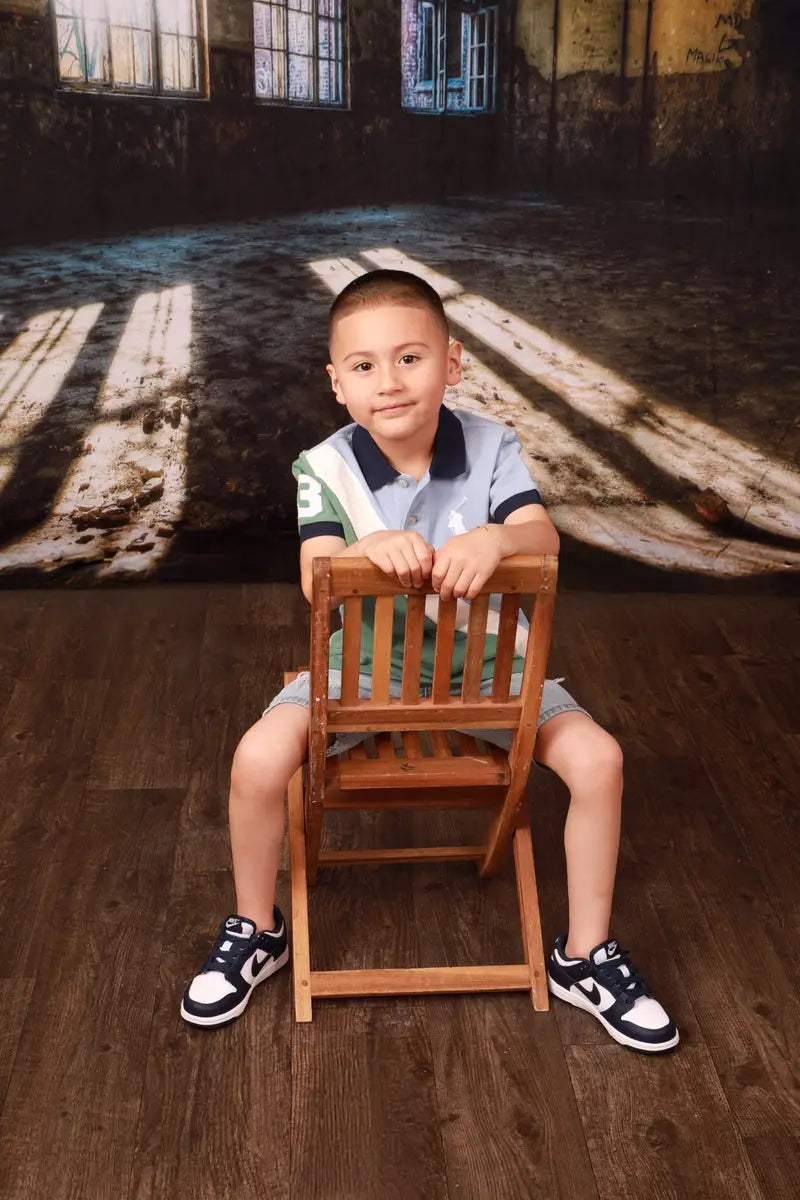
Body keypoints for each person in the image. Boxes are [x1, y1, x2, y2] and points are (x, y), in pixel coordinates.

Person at [181, 269, 678, 1053]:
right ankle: (256, 927)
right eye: (366, 366)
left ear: (452, 364)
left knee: (600, 762)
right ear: (337, 383)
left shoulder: (490, 446)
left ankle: (584, 955)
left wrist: (495, 538)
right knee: (254, 761)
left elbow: (543, 538)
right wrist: (364, 548)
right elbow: (315, 576)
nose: (390, 382)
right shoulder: (326, 466)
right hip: (366, 673)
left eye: (411, 358)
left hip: (490, 678)